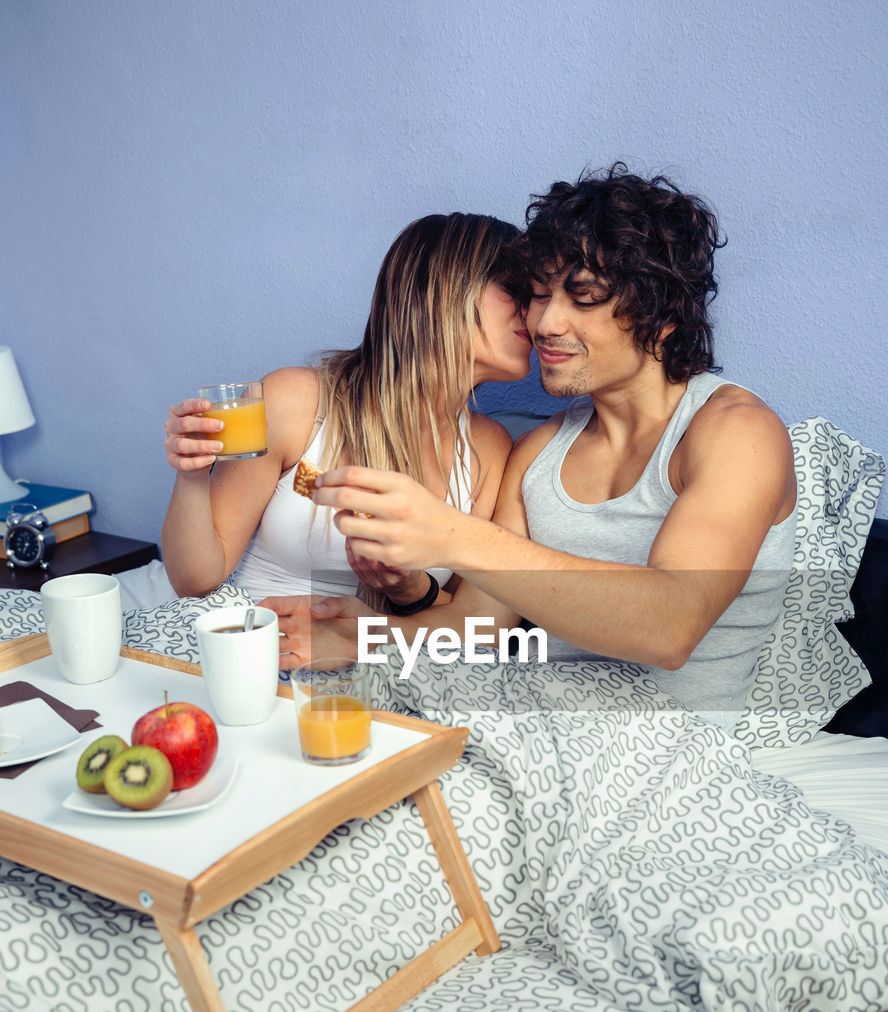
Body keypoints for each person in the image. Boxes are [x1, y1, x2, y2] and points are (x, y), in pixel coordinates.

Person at [275, 164, 798, 734]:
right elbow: (477, 626)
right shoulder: (538, 451)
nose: (546, 321)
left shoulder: (735, 433)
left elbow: (669, 628)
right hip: (529, 725)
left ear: (663, 315)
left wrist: (451, 534)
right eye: (539, 294)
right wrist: (355, 635)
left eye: (584, 296)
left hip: (664, 756)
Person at [160, 213, 532, 613]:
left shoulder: (489, 450)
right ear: (443, 291)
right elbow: (195, 582)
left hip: (377, 664)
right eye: (515, 289)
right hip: (254, 648)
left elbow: (463, 619)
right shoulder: (296, 401)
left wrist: (408, 588)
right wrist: (193, 475)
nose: (532, 311)